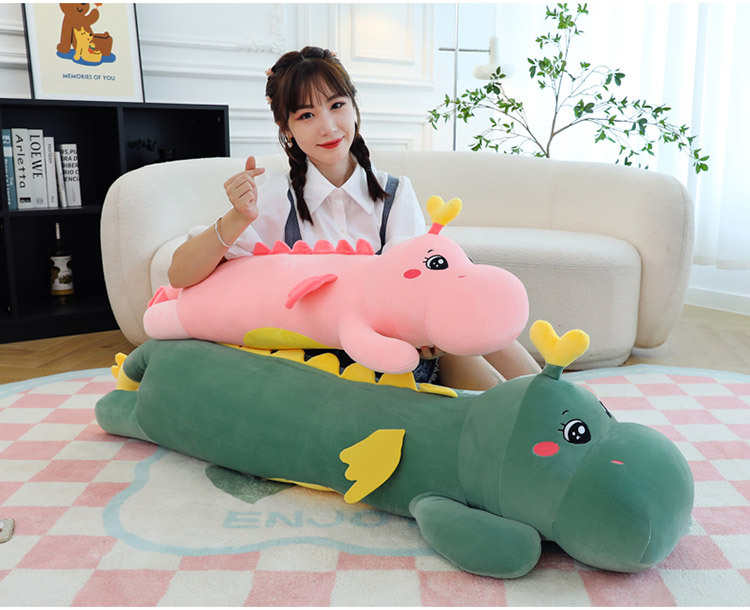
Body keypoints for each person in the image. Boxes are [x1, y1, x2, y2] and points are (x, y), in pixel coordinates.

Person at [168, 46, 540, 390]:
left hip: (406, 350)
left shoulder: (395, 193)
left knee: (471, 312)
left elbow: (420, 286)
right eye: (306, 115)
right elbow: (179, 276)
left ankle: (551, 398)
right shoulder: (274, 200)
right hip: (328, 363)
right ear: (287, 129)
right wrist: (237, 217)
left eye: (336, 105)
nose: (328, 126)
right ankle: (526, 417)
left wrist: (427, 332)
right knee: (468, 359)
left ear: (354, 106)